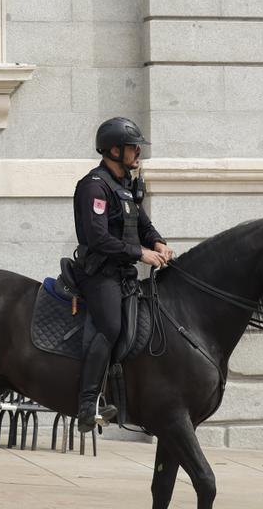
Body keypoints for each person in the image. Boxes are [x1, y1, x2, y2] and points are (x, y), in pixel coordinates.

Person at [72, 117, 174, 432]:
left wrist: (157, 241)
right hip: (99, 273)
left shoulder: (124, 186)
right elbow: (98, 238)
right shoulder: (95, 186)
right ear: (114, 150)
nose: (138, 152)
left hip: (123, 272)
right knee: (111, 326)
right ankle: (88, 404)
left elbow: (141, 223)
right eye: (133, 147)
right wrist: (140, 253)